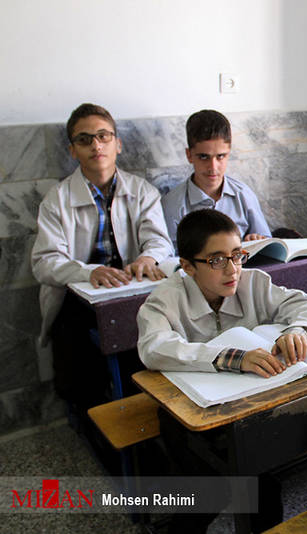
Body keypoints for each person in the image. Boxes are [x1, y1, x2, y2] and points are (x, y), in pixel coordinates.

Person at [137, 208, 307, 532]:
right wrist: (233, 357)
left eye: (237, 255)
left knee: (262, 489)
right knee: (203, 494)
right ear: (187, 266)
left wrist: (298, 330)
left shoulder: (252, 282)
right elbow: (153, 348)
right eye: (216, 260)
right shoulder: (165, 299)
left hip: (246, 407)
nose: (232, 268)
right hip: (188, 414)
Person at [31, 102, 173, 414]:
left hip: (130, 288)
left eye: (103, 136)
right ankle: (95, 418)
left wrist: (148, 258)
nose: (96, 145)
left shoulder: (142, 191)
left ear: (117, 144)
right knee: (79, 363)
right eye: (84, 139)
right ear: (72, 150)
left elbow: (159, 241)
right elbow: (43, 262)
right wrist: (88, 273)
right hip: (78, 297)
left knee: (144, 343)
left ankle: (144, 414)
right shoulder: (57, 200)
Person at [161, 109, 271, 248]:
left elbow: (266, 244)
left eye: (220, 156)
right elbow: (171, 258)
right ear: (189, 155)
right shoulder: (173, 204)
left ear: (229, 154)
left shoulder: (243, 194)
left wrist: (255, 240)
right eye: (203, 157)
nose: (213, 167)